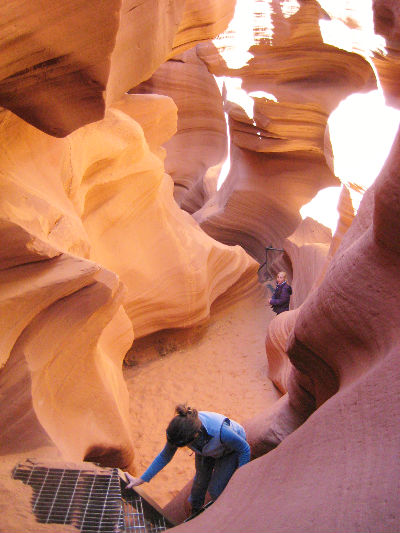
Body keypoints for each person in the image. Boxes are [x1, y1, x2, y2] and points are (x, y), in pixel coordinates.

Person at [125, 404, 250, 515]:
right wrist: (140, 480)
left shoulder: (222, 432)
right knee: (199, 482)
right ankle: (195, 510)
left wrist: (240, 475)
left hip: (228, 450)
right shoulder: (177, 432)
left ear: (194, 436)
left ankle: (228, 513)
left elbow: (244, 449)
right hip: (205, 449)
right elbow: (165, 456)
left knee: (215, 490)